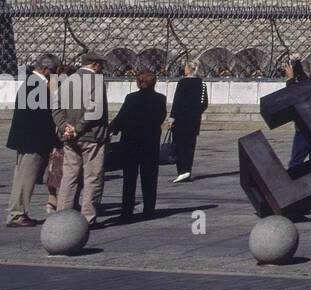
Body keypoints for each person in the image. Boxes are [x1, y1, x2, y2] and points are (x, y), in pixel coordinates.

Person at [53, 53, 111, 227]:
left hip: (69, 137)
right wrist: (77, 129)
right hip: (92, 136)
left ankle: (62, 216)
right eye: (101, 65)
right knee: (93, 176)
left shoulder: (67, 81)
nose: (102, 68)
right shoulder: (97, 82)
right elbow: (94, 110)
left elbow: (56, 108)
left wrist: (66, 128)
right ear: (94, 64)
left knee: (69, 177)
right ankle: (88, 218)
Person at [6, 54, 58, 227]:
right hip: (33, 141)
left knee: (21, 177)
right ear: (45, 69)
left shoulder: (30, 82)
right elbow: (43, 119)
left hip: (25, 139)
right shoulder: (38, 86)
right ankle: (17, 214)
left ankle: (17, 212)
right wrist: (54, 141)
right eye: (53, 71)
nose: (54, 74)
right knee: (25, 179)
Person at [109, 70, 168, 221]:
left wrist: (112, 129)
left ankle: (127, 210)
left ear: (138, 82)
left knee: (129, 178)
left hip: (131, 142)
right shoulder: (160, 99)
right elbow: (160, 117)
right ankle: (149, 209)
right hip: (150, 143)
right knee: (149, 177)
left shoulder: (131, 98)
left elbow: (121, 117)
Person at [169, 60, 208, 183]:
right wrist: (196, 113)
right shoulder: (202, 84)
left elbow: (177, 102)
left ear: (189, 69)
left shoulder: (182, 83)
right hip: (194, 120)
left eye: (185, 67)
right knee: (190, 146)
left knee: (179, 146)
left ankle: (181, 171)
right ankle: (188, 170)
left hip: (180, 120)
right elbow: (204, 103)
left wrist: (172, 118)